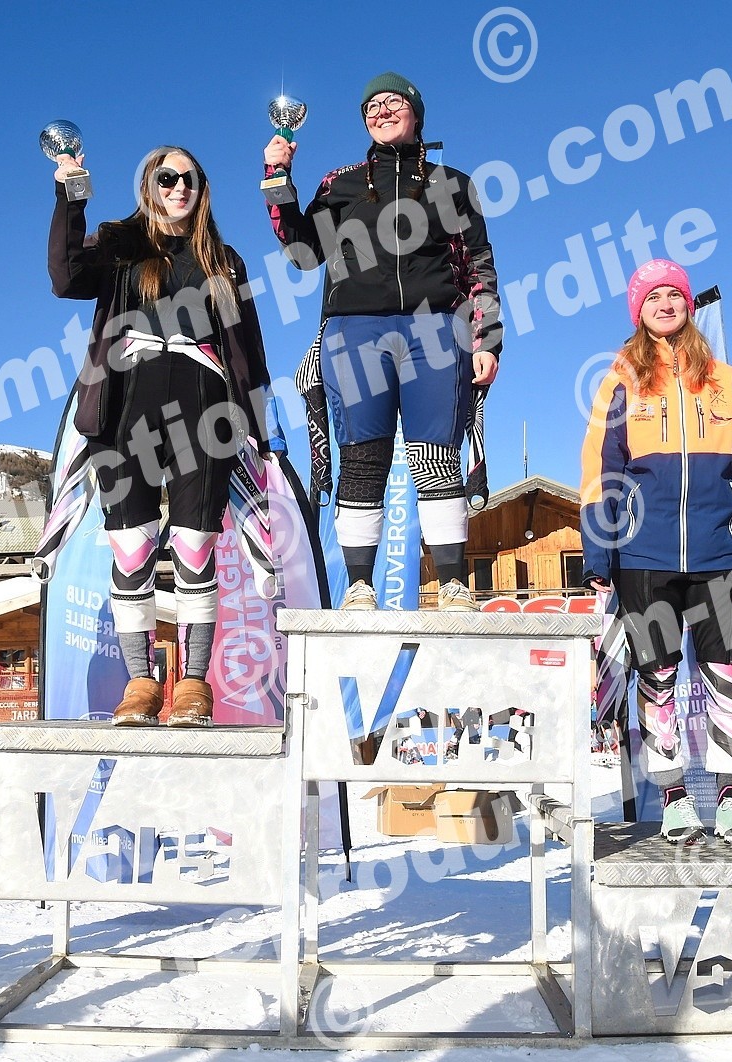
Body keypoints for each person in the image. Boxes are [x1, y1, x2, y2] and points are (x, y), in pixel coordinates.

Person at [52, 143, 273, 727]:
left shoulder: (223, 259)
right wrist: (72, 194)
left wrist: (261, 425)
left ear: (203, 190)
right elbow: (66, 276)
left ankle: (194, 684)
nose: (179, 188)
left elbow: (248, 347)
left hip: (205, 404)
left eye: (190, 179)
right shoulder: (122, 244)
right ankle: (140, 684)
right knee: (131, 546)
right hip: (127, 403)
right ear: (148, 184)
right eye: (168, 177)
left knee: (196, 544)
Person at [265, 71, 502, 611]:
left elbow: (479, 266)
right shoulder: (340, 184)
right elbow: (302, 253)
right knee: (362, 456)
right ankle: (358, 587)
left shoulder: (452, 184)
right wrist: (278, 178)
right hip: (356, 330)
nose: (382, 111)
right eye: (372, 106)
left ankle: (452, 585)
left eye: (394, 102)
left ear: (416, 112)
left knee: (437, 455)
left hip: (435, 327)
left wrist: (487, 339)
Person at [579, 260, 732, 846]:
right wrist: (598, 552)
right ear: (638, 311)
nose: (665, 303)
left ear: (689, 305)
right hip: (645, 553)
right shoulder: (621, 378)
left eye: (675, 294)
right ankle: (672, 799)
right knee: (657, 678)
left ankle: (730, 801)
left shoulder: (723, 377)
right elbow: (600, 467)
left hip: (721, 550)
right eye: (653, 297)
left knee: (726, 676)